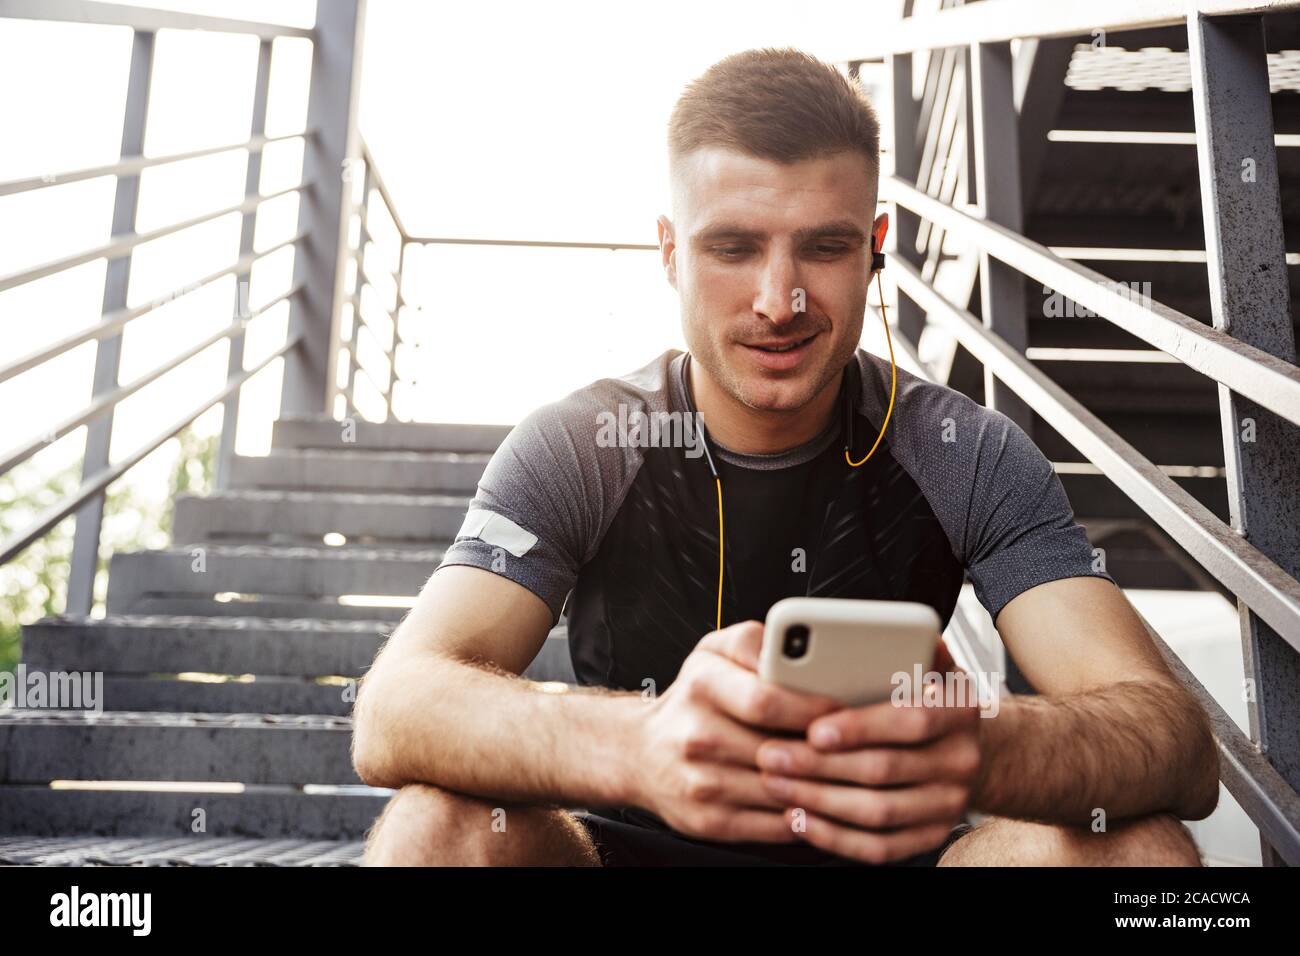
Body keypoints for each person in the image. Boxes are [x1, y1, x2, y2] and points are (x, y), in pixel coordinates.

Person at [352, 47, 1217, 867]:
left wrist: (978, 744)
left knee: (1138, 852)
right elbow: (394, 709)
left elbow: (1175, 745)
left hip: (896, 855)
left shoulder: (965, 450)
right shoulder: (581, 444)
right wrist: (640, 744)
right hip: (632, 853)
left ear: (876, 248)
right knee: (437, 830)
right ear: (669, 253)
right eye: (733, 247)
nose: (781, 300)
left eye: (825, 247)